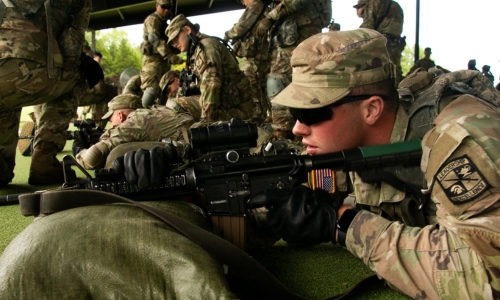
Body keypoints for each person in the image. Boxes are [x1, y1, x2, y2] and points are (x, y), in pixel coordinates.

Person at [243, 29, 500, 298]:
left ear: (371, 109)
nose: (297, 128)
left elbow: (484, 278)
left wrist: (343, 223)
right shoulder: (358, 145)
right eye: (295, 114)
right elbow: (307, 201)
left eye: (309, 113)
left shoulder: (459, 138)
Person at [0, 0, 99, 186]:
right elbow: (71, 50)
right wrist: (85, 65)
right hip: (23, 71)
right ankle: (43, 162)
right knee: (78, 76)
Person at [255, 0, 331, 139]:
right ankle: (296, 126)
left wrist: (271, 16)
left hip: (300, 29)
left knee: (278, 80)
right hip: (294, 30)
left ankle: (283, 131)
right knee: (297, 80)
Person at [165, 14, 257, 123]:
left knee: (177, 105)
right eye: (172, 42)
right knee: (174, 104)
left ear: (187, 29)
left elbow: (211, 84)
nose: (175, 44)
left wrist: (205, 122)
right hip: (226, 105)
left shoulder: (207, 47)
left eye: (176, 38)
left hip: (236, 111)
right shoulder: (195, 51)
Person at [74, 93, 198, 170]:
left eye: (111, 119)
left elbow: (93, 158)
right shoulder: (156, 110)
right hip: (207, 136)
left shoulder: (135, 121)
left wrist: (80, 151)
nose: (111, 125)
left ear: (120, 115)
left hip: (199, 150)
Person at [224, 0, 272, 123]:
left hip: (255, 60)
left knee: (254, 94)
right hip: (261, 58)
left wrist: (228, 34)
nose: (243, 3)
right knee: (264, 94)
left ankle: (259, 124)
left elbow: (240, 28)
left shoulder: (255, 6)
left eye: (242, 1)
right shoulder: (264, 7)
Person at [140, 0, 183, 108]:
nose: (167, 10)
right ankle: (140, 116)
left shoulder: (165, 23)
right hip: (152, 62)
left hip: (164, 63)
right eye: (164, 7)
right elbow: (153, 38)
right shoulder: (153, 19)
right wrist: (170, 55)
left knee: (164, 91)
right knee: (151, 90)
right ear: (157, 6)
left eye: (169, 7)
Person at [354, 0, 405, 84]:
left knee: (377, 76)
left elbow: (367, 29)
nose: (356, 10)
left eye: (358, 7)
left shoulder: (374, 3)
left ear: (364, 6)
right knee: (395, 74)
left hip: (381, 46)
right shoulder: (396, 5)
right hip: (396, 45)